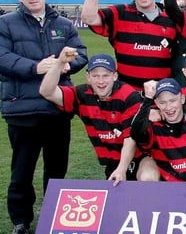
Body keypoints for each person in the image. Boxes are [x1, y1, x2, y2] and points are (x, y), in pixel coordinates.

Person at [0, 0, 88, 234]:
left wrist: (64, 64)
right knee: (22, 169)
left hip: (57, 108)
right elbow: (2, 57)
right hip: (22, 108)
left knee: (56, 168)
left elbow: (81, 53)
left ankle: (53, 215)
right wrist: (36, 67)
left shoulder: (63, 23)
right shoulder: (6, 24)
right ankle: (21, 220)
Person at [39, 50, 159, 184]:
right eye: (95, 76)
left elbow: (130, 138)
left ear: (114, 76)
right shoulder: (81, 94)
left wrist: (121, 169)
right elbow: (47, 92)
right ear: (88, 77)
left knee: (148, 179)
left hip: (142, 157)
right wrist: (60, 63)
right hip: (113, 161)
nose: (101, 81)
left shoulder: (128, 96)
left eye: (105, 75)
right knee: (118, 199)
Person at [81, 0, 179, 90]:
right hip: (127, 97)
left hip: (161, 97)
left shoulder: (172, 18)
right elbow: (88, 18)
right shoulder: (119, 13)